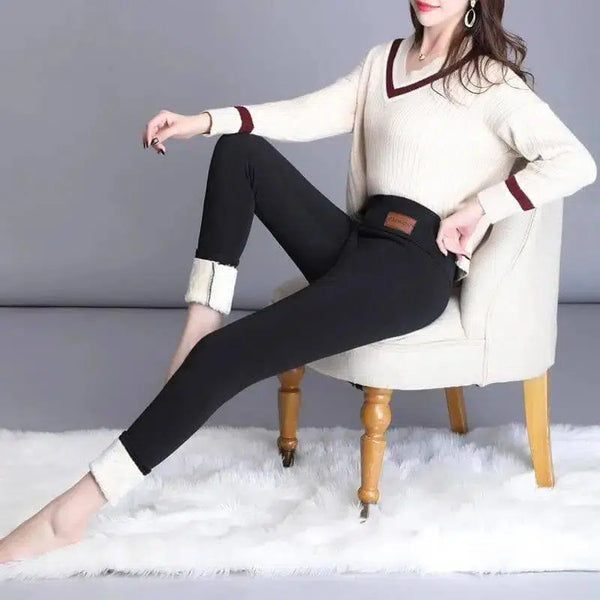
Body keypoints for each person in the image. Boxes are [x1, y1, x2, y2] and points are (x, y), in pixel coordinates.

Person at [0, 0, 596, 564]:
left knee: (223, 359)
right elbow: (306, 113)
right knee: (240, 152)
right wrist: (201, 121)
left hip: (410, 271)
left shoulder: (491, 82)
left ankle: (69, 515)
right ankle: (203, 317)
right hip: (358, 242)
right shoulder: (384, 61)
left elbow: (576, 162)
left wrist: (484, 207)